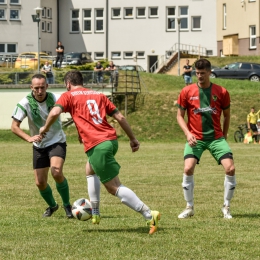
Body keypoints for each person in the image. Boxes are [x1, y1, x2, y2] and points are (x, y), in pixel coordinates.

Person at [39, 70, 160, 235]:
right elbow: (120, 118)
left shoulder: (69, 96)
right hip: (110, 140)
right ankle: (95, 211)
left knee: (113, 187)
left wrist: (44, 128)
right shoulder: (99, 95)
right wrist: (133, 139)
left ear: (68, 84)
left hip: (98, 145)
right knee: (90, 169)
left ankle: (148, 213)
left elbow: (54, 112)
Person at [176, 58, 236, 219]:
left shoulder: (222, 92)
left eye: (203, 73)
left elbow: (227, 115)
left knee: (230, 168)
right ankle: (189, 207)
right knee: (188, 168)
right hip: (195, 138)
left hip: (216, 138)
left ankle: (226, 207)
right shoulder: (187, 91)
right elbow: (179, 116)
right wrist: (188, 134)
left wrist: (224, 135)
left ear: (210, 72)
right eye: (197, 73)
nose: (200, 76)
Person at [11, 74, 73, 218]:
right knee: (40, 182)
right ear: (31, 87)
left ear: (47, 86)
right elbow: (14, 127)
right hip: (39, 145)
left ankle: (67, 205)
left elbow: (74, 106)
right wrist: (28, 138)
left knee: (56, 172)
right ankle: (53, 206)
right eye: (36, 88)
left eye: (42, 87)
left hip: (57, 141)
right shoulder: (25, 103)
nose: (40, 91)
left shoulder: (56, 98)